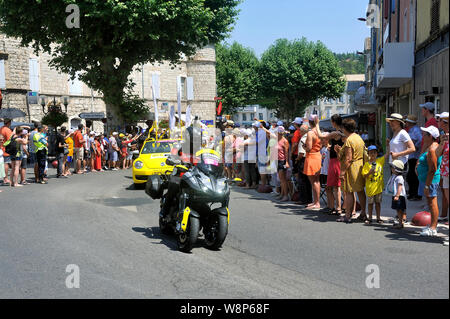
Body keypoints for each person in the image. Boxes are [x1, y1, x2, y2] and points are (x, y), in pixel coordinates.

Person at [336, 119, 367, 223]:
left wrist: (342, 172)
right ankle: (363, 213)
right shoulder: (358, 137)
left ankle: (348, 215)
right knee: (360, 191)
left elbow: (348, 158)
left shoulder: (349, 140)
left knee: (349, 192)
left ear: (345, 128)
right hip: (360, 165)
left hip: (352, 167)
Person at [416, 126, 442, 236]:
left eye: (425, 134)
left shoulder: (432, 149)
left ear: (430, 136)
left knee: (432, 203)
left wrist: (427, 186)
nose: (422, 136)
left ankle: (433, 228)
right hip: (427, 180)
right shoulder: (429, 146)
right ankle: (432, 224)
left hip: (430, 181)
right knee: (430, 203)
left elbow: (433, 169)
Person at [362, 145, 386, 224]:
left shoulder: (379, 161)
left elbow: (387, 155)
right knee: (370, 204)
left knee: (378, 203)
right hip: (370, 188)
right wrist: (370, 172)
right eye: (371, 153)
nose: (373, 154)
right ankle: (370, 217)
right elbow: (364, 175)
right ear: (368, 154)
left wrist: (388, 146)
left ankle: (378, 217)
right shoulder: (366, 164)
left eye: (374, 153)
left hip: (378, 188)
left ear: (377, 154)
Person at [303, 115, 322, 210]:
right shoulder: (319, 132)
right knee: (316, 180)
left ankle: (317, 202)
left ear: (310, 122)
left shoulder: (310, 133)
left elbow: (309, 148)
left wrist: (304, 147)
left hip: (311, 156)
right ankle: (316, 202)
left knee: (313, 181)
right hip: (318, 155)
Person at [405, 115, 422, 201]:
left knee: (413, 176)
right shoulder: (411, 130)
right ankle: (412, 193)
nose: (406, 123)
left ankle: (415, 194)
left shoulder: (416, 130)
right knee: (411, 176)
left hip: (414, 156)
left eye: (407, 121)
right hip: (411, 156)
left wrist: (415, 147)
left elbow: (420, 140)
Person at [386, 160, 407, 229]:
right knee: (398, 210)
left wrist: (397, 195)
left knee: (400, 209)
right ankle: (400, 222)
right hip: (396, 195)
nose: (391, 169)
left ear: (396, 169)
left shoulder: (399, 178)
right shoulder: (394, 176)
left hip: (399, 196)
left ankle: (400, 223)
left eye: (392, 168)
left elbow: (400, 187)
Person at [436, 112, 449, 223]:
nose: (438, 122)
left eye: (439, 120)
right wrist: (442, 143)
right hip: (445, 171)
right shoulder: (443, 135)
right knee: (446, 195)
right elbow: (437, 154)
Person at [296, 124, 313, 205]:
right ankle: (309, 199)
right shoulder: (310, 136)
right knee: (307, 181)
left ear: (302, 131)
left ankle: (303, 199)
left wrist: (297, 159)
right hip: (309, 159)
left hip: (303, 160)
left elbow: (301, 153)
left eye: (300, 131)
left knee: (302, 181)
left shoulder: (303, 138)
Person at [275, 126, 290, 201]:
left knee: (283, 179)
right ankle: (282, 194)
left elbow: (287, 153)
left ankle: (286, 195)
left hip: (282, 161)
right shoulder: (276, 139)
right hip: (277, 160)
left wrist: (287, 162)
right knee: (281, 179)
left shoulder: (285, 141)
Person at [0, 118, 13, 185]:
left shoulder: (1, 128)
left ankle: (5, 177)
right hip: (6, 149)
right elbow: (10, 140)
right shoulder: (8, 130)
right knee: (6, 163)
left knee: (4, 163)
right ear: (9, 123)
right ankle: (5, 178)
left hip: (1, 148)